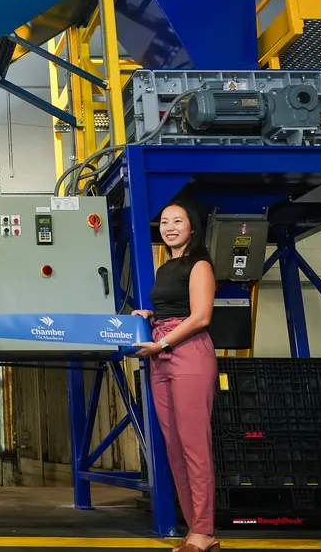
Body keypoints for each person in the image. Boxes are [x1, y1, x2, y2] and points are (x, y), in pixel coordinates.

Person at [130, 201, 219, 552]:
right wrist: (149, 315)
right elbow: (173, 307)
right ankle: (194, 530)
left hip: (189, 353)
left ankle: (205, 531)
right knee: (175, 447)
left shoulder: (199, 265)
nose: (169, 227)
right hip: (161, 354)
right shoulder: (166, 267)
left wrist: (163, 341)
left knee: (195, 446)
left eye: (177, 221)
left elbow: (200, 317)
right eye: (164, 222)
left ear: (192, 228)